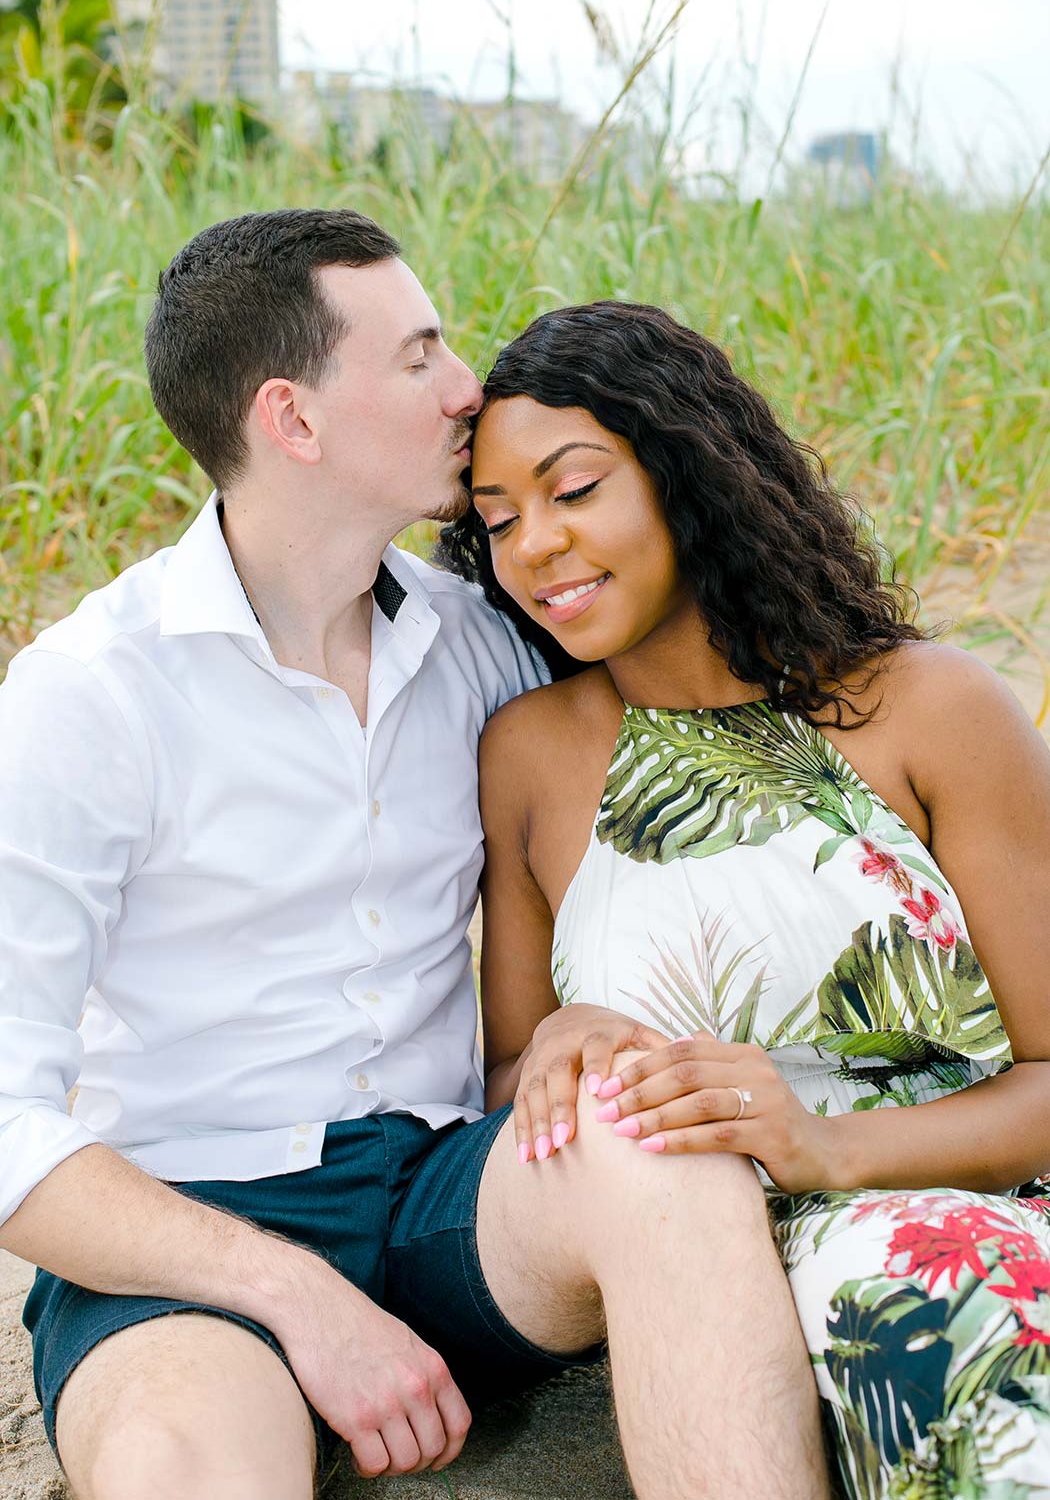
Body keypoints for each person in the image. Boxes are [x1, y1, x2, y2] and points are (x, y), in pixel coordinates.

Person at [0, 212, 830, 1500]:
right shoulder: (89, 697)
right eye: (421, 355)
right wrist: (299, 1297)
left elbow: (719, 689)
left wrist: (565, 1032)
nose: (468, 390)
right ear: (295, 418)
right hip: (197, 1235)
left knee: (660, 1151)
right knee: (183, 1466)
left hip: (454, 1190)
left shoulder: (483, 641)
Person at [437, 298, 1050, 1497]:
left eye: (574, 490)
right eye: (498, 521)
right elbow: (514, 1085)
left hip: (975, 1209)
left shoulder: (931, 710)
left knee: (954, 1304)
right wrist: (563, 1036)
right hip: (726, 1262)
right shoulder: (531, 756)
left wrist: (826, 1146)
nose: (536, 546)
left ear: (687, 474)